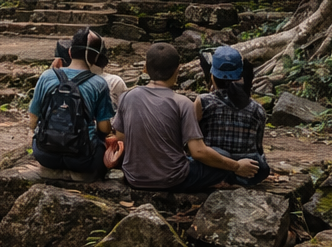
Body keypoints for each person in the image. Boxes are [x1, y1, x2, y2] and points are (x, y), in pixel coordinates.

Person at [109, 43, 265, 192]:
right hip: (173, 179)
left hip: (134, 177)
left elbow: (121, 139)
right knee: (222, 161)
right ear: (178, 69)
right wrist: (237, 166)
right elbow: (198, 152)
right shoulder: (182, 103)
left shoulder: (127, 97)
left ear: (145, 68)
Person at [29, 27, 116, 181]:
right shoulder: (99, 83)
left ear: (70, 52)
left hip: (45, 155)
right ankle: (79, 173)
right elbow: (104, 128)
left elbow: (33, 121)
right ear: (96, 57)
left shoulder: (47, 76)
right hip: (83, 160)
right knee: (105, 144)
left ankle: (53, 169)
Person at [194, 45, 271, 180]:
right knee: (260, 165)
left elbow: (193, 138)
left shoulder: (203, 101)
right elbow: (258, 148)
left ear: (212, 75)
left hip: (213, 167)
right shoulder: (258, 109)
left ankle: (222, 178)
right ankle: (234, 180)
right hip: (248, 172)